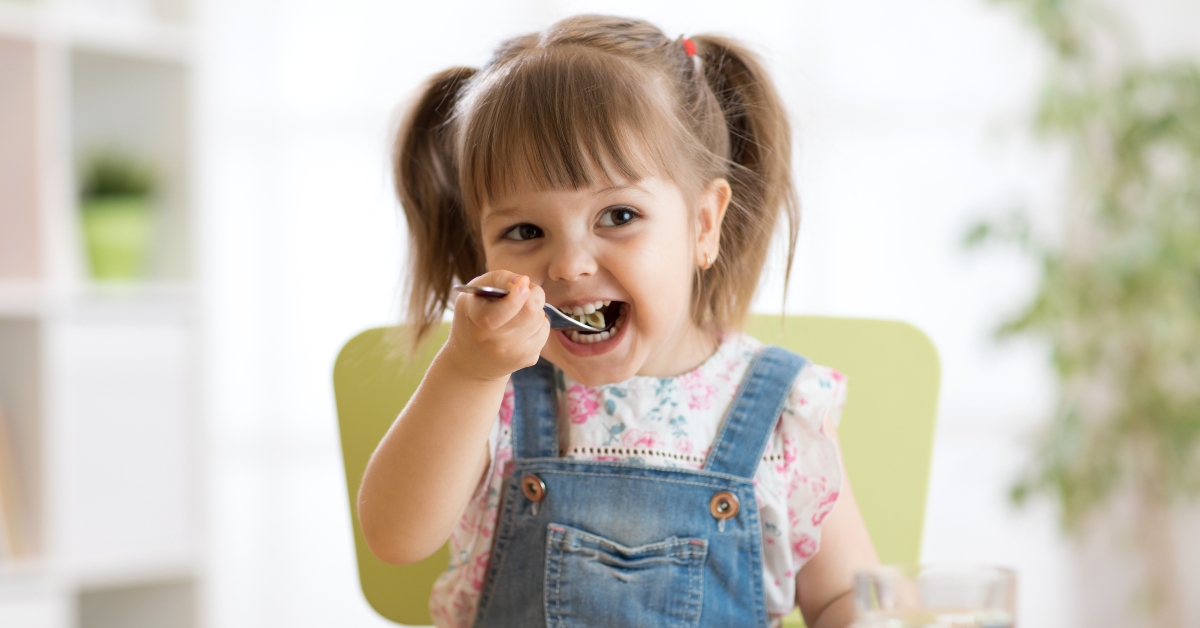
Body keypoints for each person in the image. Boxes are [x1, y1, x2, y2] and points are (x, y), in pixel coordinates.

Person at [358, 14, 879, 628]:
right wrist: (467, 373)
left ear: (702, 225)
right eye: (524, 231)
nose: (571, 265)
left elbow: (845, 598)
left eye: (618, 215)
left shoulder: (783, 413)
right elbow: (396, 537)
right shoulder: (490, 399)